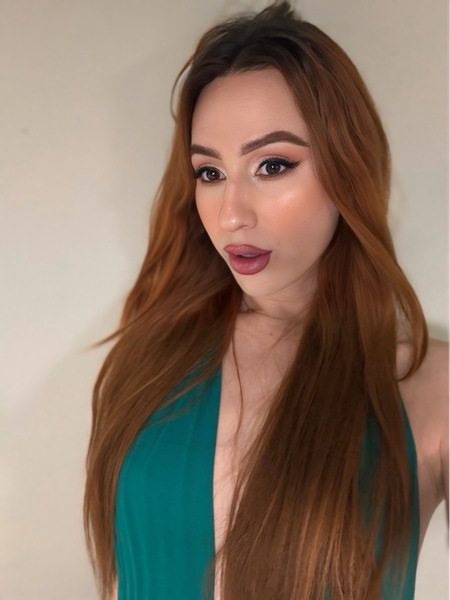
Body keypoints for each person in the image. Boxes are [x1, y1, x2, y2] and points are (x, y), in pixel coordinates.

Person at [84, 2, 448, 599]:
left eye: (272, 165)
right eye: (210, 173)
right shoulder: (147, 363)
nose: (231, 215)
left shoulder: (431, 388)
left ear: (348, 168)